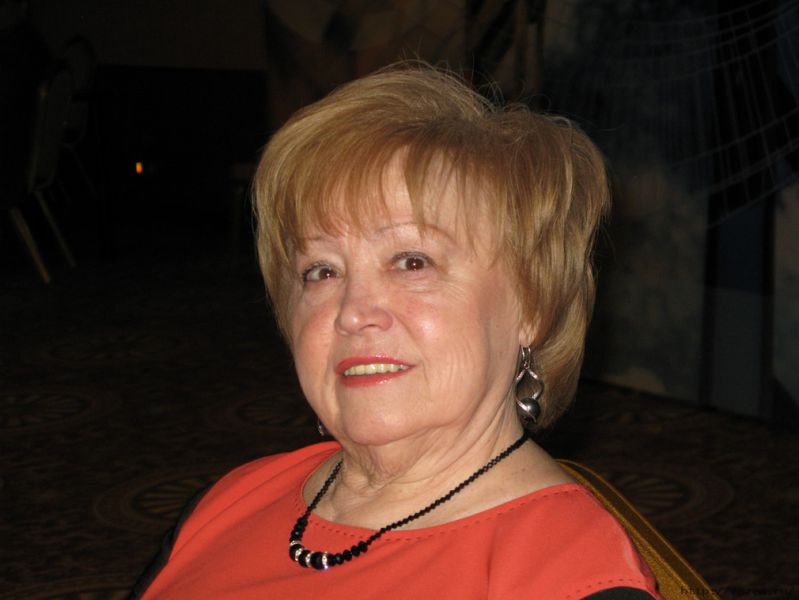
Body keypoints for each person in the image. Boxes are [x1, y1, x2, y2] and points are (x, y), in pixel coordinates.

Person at [134, 63, 661, 599]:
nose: (352, 311)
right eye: (322, 271)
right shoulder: (228, 501)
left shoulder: (564, 574)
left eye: (412, 262)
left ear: (533, 303)